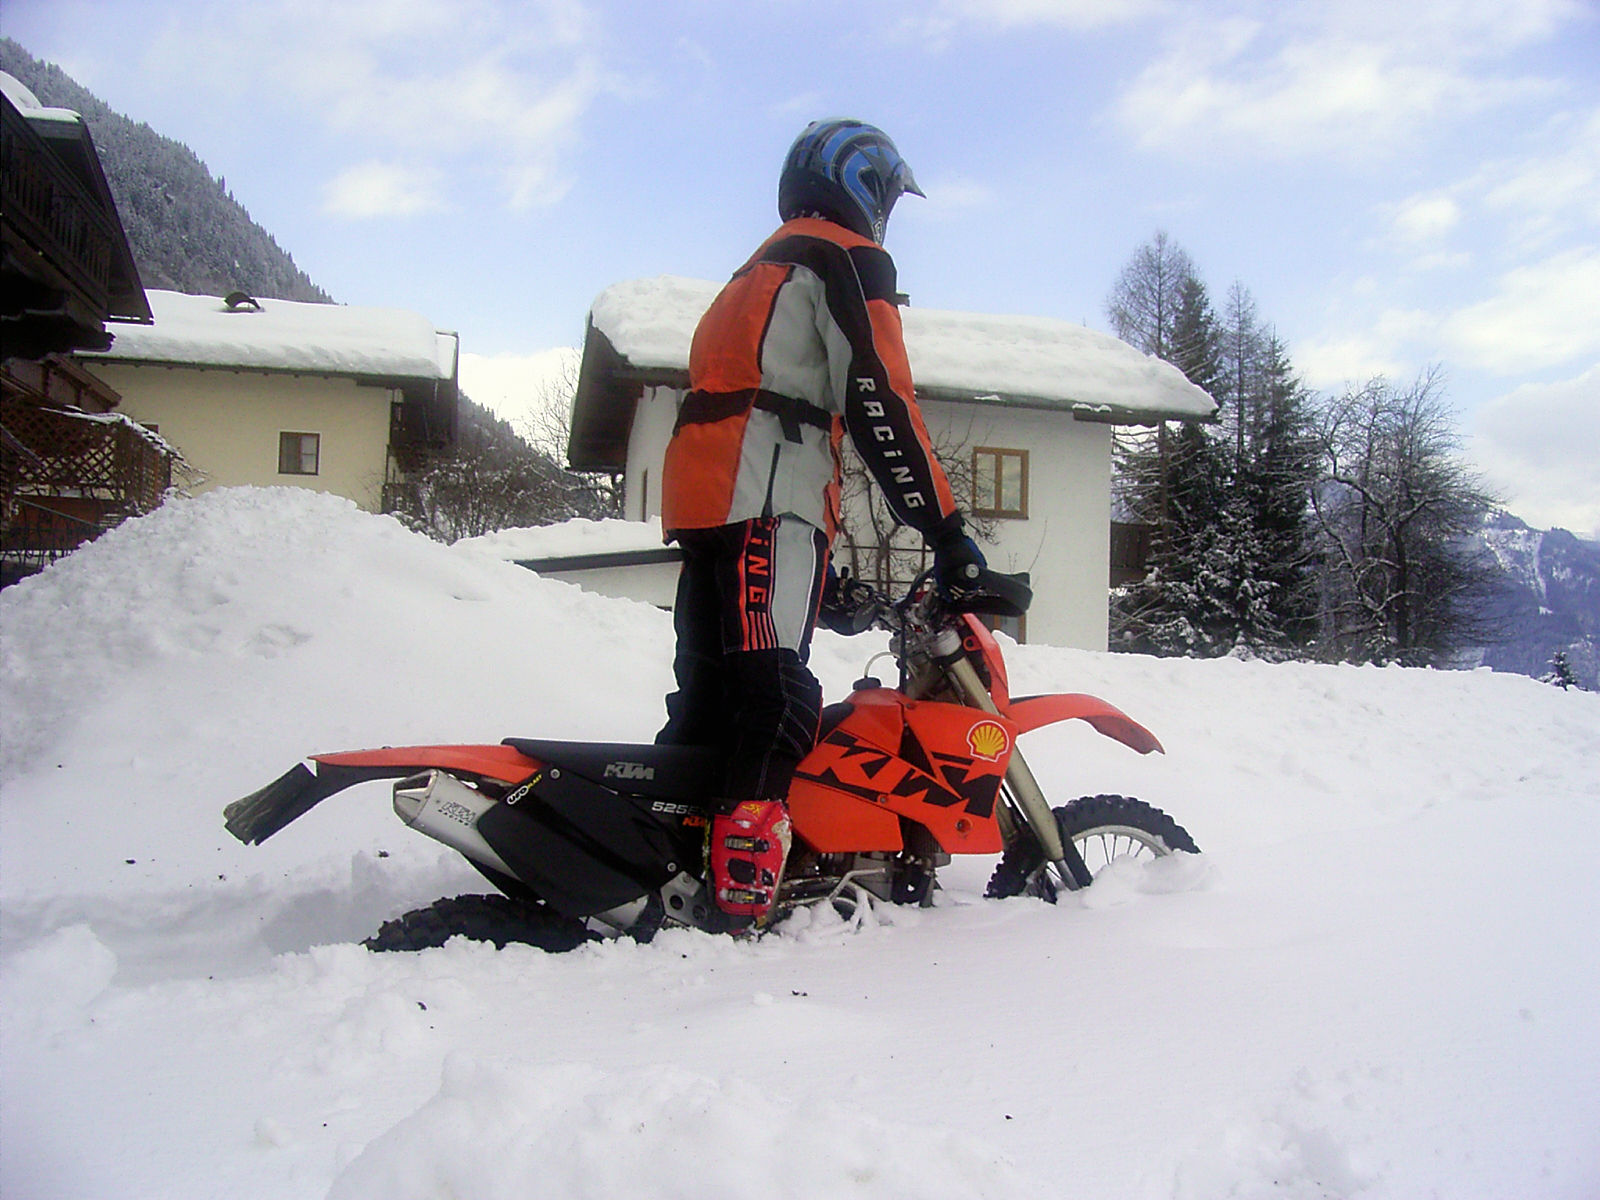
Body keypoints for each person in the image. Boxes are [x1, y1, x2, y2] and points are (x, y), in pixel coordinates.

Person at [657, 118, 985, 928]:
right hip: (768, 496)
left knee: (711, 695)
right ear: (864, 188)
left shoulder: (756, 269)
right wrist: (947, 533)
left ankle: (660, 850)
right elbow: (880, 401)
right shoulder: (846, 255)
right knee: (777, 695)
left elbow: (763, 393)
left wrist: (824, 577)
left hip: (707, 498)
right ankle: (740, 893)